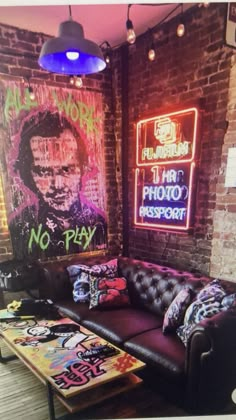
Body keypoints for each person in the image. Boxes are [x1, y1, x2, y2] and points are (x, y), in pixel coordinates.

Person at [9, 111, 107, 260]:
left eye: (67, 169)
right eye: (44, 172)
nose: (58, 184)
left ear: (82, 168)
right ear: (29, 175)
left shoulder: (99, 223)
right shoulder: (21, 227)